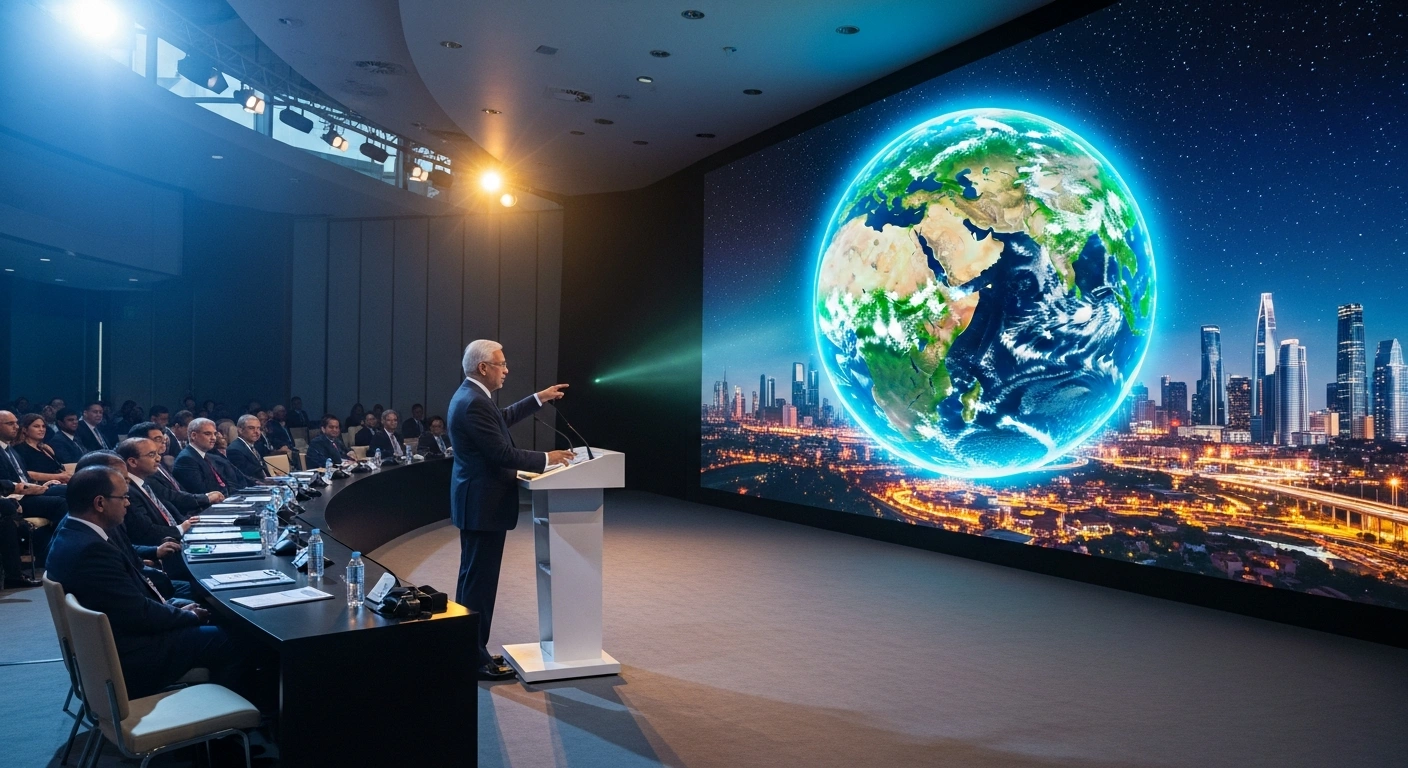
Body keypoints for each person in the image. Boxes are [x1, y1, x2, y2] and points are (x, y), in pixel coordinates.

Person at [44, 465, 242, 699]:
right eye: (123, 497)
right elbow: (138, 614)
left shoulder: (73, 530)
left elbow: (128, 604)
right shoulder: (91, 550)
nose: (128, 503)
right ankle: (229, 726)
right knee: (231, 637)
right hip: (130, 657)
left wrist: (171, 608)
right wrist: (186, 616)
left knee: (217, 616)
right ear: (100, 503)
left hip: (114, 642)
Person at [448, 339, 573, 681]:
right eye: (501, 364)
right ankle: (473, 658)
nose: (507, 369)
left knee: (473, 580)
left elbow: (500, 421)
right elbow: (501, 453)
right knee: (479, 585)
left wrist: (538, 398)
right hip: (482, 506)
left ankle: (466, 649)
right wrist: (549, 458)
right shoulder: (473, 402)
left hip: (477, 504)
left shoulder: (472, 397)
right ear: (483, 368)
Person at [128, 422, 222, 514]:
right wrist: (206, 498)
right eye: (157, 439)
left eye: (163, 438)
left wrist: (205, 496)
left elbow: (179, 490)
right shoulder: (145, 470)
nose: (164, 442)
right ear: (140, 443)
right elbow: (170, 497)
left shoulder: (161, 464)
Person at [0, 411, 68, 523]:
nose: (16, 427)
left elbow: (23, 476)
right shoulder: (18, 449)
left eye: (16, 423)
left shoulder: (10, 449)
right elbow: (5, 483)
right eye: (10, 424)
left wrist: (39, 485)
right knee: (61, 502)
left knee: (71, 490)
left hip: (29, 491)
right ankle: (64, 539)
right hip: (14, 498)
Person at [172, 418, 233, 495]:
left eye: (214, 434)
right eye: (208, 434)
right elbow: (201, 491)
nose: (213, 438)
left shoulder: (206, 456)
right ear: (194, 435)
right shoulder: (186, 459)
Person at [14, 413, 72, 483]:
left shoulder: (45, 448)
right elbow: (25, 473)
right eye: (36, 426)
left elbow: (59, 467)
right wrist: (58, 477)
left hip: (58, 483)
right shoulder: (20, 449)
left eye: (43, 426)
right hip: (41, 486)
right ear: (25, 429)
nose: (41, 429)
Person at [228, 415, 269, 481]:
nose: (257, 432)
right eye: (251, 428)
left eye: (258, 428)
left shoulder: (256, 447)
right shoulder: (235, 450)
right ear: (240, 430)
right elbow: (245, 476)